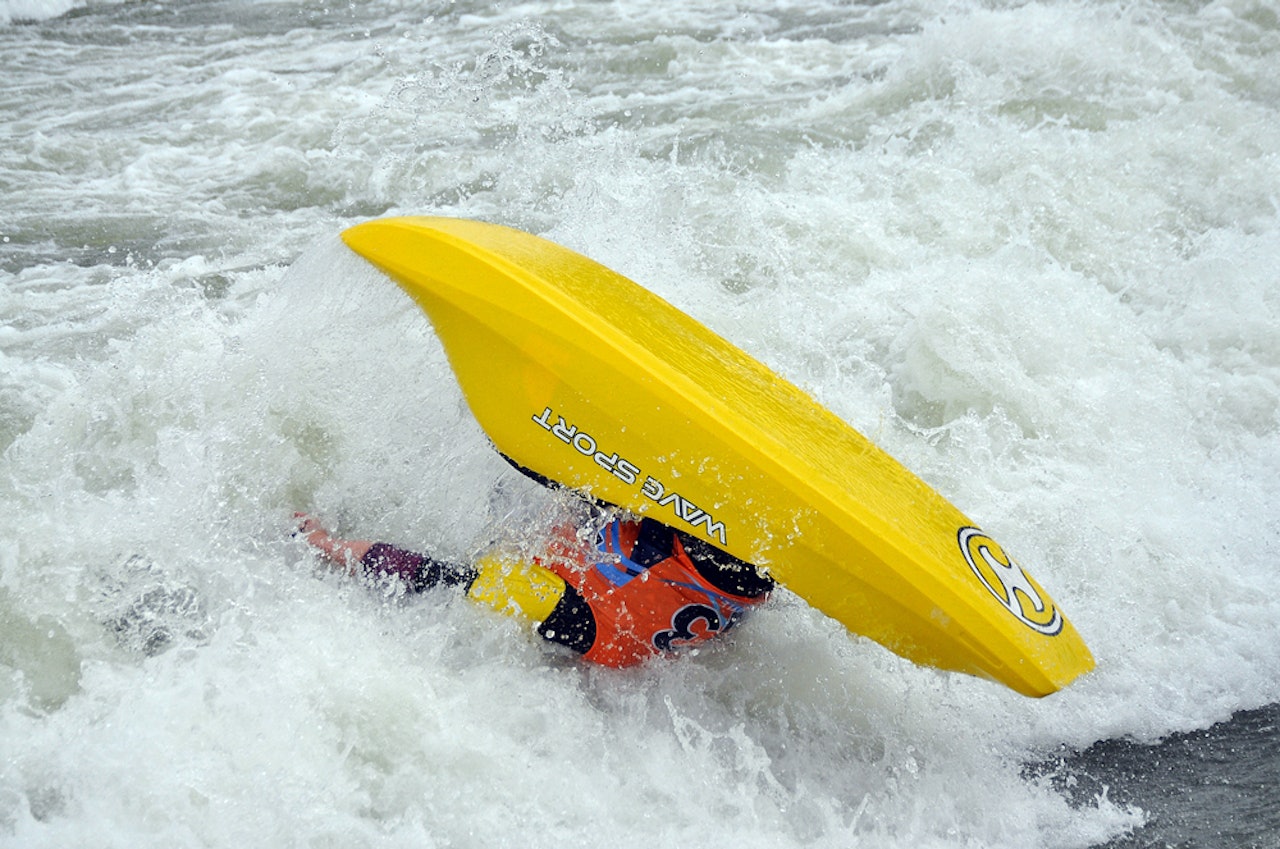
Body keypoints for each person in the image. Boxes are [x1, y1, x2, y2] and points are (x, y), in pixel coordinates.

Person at [294, 508, 774, 667]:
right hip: (699, 577)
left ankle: (329, 547)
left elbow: (428, 574)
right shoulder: (571, 590)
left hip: (733, 579)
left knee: (455, 580)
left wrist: (331, 546)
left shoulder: (551, 596)